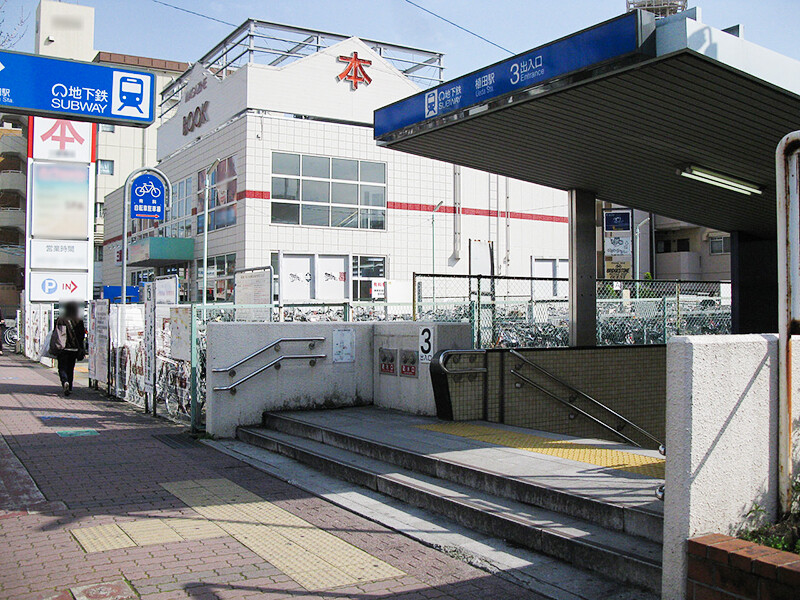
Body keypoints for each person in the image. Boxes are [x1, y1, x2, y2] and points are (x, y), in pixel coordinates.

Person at [54, 302, 85, 396]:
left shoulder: (60, 319)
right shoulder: (78, 320)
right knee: (70, 368)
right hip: (74, 349)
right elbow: (81, 335)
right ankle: (70, 387)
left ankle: (64, 381)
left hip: (62, 348)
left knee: (62, 367)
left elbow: (55, 333)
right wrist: (81, 347)